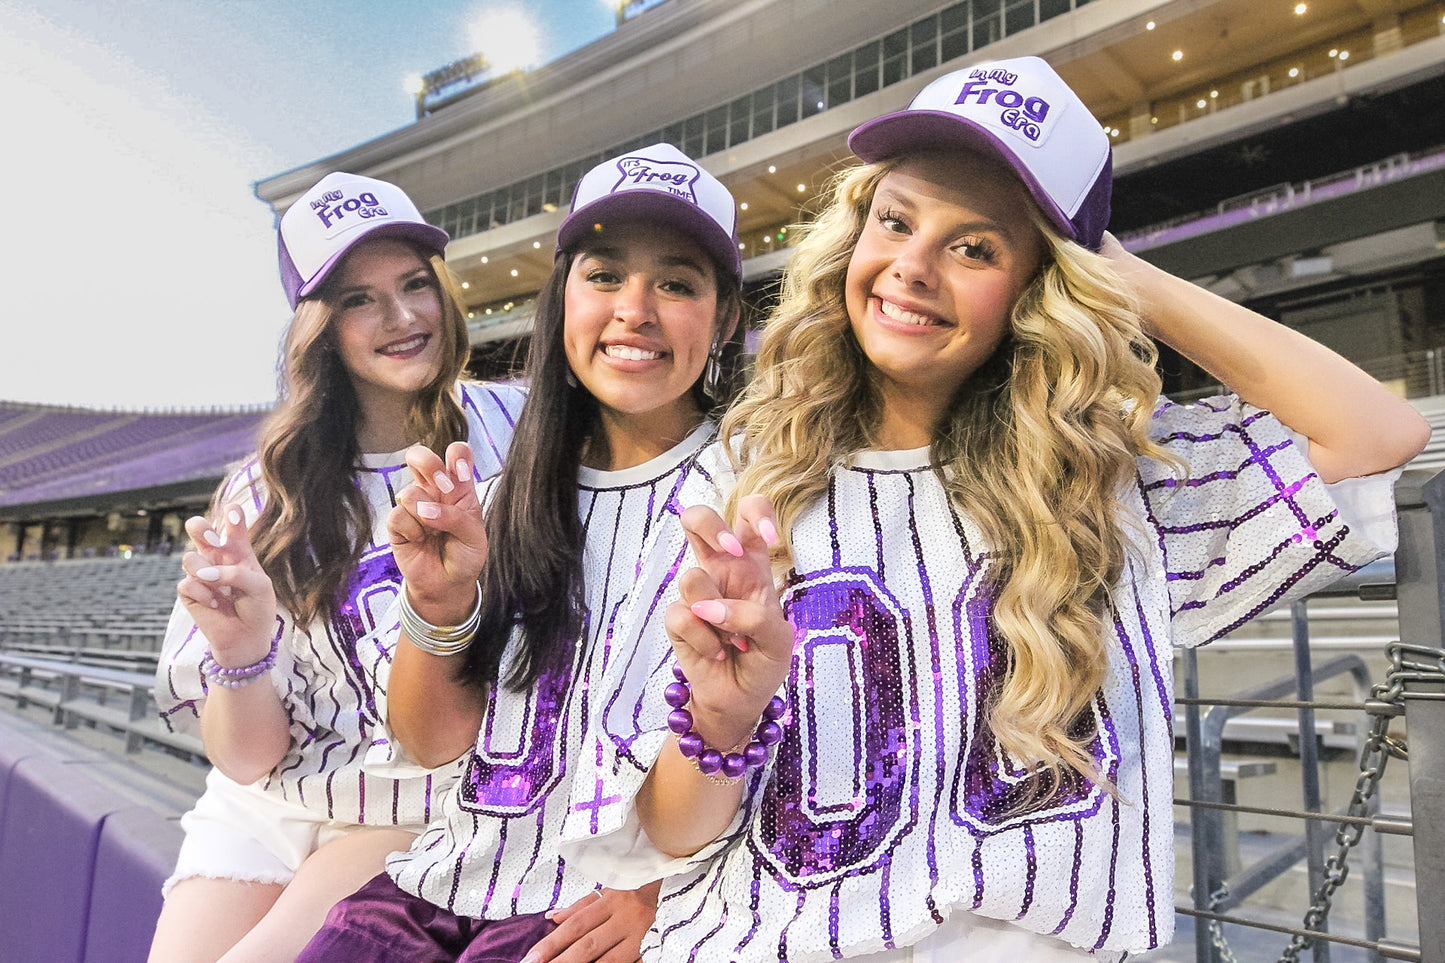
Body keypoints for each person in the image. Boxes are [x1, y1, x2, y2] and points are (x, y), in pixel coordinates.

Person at [561, 57, 1430, 961]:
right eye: (894, 221)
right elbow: (667, 831)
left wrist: (1128, 274)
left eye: (974, 246)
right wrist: (721, 716)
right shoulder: (740, 476)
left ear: (1041, 285)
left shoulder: (1110, 481)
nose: (911, 267)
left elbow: (1373, 433)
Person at [296, 143, 745, 963]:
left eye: (676, 283)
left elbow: (789, 741)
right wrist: (438, 603)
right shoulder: (509, 492)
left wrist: (670, 891)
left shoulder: (755, 490)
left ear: (723, 319)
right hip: (441, 881)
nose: (633, 309)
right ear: (563, 298)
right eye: (604, 275)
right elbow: (434, 740)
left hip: (598, 904)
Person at [150, 171, 525, 963]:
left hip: (406, 803)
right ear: (320, 325)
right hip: (269, 799)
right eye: (359, 298)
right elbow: (248, 757)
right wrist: (238, 648)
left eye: (416, 284)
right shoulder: (266, 486)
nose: (401, 317)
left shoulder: (517, 426)